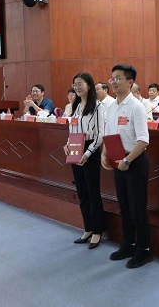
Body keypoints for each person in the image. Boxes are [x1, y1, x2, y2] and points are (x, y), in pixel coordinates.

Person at [101, 64, 152, 268]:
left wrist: (128, 160)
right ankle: (128, 244)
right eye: (112, 78)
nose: (113, 82)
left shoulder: (136, 106)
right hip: (118, 161)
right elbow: (109, 134)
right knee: (123, 206)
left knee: (137, 208)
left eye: (118, 78)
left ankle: (144, 250)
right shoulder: (111, 107)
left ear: (130, 82)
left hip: (134, 162)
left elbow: (143, 140)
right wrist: (104, 154)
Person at [63, 73, 105, 249]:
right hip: (75, 146)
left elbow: (100, 134)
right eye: (75, 84)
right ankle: (88, 228)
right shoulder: (76, 105)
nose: (77, 87)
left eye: (80, 84)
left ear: (89, 85)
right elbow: (72, 128)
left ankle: (97, 230)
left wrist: (87, 154)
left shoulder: (97, 106)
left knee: (93, 192)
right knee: (81, 192)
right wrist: (67, 144)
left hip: (90, 150)